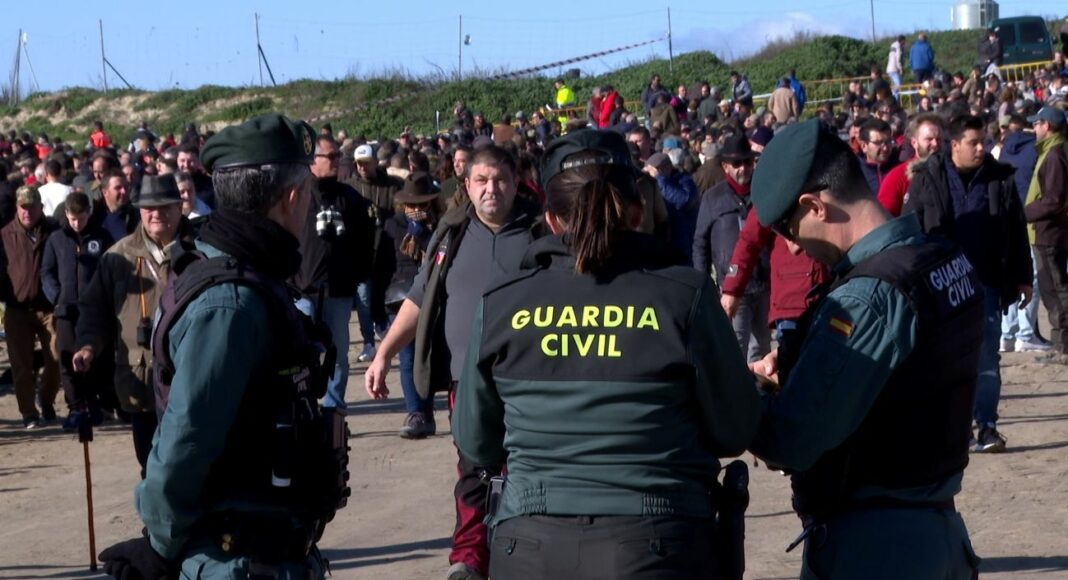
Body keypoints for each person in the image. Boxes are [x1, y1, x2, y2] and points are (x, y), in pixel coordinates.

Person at [452, 128, 760, 580]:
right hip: (659, 541)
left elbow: (476, 441)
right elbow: (734, 429)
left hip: (530, 545)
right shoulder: (684, 296)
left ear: (551, 220)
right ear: (636, 212)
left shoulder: (501, 301)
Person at [97, 114, 349, 579]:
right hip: (234, 559)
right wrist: (159, 543)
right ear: (291, 199)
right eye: (308, 195)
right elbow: (186, 438)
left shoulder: (250, 276)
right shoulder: (230, 304)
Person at [748, 119, 983, 580]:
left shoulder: (869, 297)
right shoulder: (941, 258)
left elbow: (792, 440)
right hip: (937, 530)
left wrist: (747, 391)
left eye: (789, 231)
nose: (793, 251)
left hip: (875, 547)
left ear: (815, 205)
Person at [365, 145, 543, 580]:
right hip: (468, 383)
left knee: (528, 471)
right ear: (466, 185)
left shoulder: (542, 233)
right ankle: (469, 560)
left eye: (499, 179)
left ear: (516, 181)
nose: (490, 189)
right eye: (481, 181)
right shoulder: (451, 236)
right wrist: (385, 353)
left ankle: (523, 554)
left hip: (532, 383)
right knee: (472, 473)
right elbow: (419, 300)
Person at [904, 114, 1033, 452]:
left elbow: (1016, 228)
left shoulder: (999, 179)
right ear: (955, 145)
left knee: (987, 355)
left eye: (984, 142)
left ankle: (987, 426)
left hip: (986, 282)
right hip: (940, 284)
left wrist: (1023, 277)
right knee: (944, 358)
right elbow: (911, 228)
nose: (982, 148)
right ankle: (952, 429)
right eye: (974, 143)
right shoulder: (927, 179)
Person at [73, 174, 188, 476]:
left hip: (191, 380)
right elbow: (94, 310)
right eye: (148, 207)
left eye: (164, 206)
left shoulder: (200, 252)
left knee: (190, 466)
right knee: (150, 467)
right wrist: (88, 345)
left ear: (179, 207)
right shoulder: (118, 258)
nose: (156, 213)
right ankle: (157, 523)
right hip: (143, 383)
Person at [294, 135, 374, 409]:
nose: (337, 161)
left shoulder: (349, 197)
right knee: (301, 355)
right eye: (331, 156)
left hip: (338, 291)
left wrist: (358, 275)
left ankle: (334, 408)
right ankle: (304, 407)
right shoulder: (297, 195)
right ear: (312, 161)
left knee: (337, 353)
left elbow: (366, 240)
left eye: (339, 156)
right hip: (302, 290)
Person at [693, 134, 771, 362]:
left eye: (748, 162)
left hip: (765, 284)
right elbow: (700, 243)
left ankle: (761, 395)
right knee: (735, 348)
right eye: (737, 164)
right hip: (733, 290)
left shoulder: (764, 192)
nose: (743, 169)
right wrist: (702, 282)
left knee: (763, 348)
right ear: (725, 166)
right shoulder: (712, 198)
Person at [40, 191, 113, 430]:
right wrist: (57, 296)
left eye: (80, 218)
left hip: (93, 312)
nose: (76, 223)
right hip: (65, 311)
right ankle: (75, 407)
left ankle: (94, 404)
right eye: (72, 218)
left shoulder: (101, 238)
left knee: (94, 360)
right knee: (66, 360)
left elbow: (109, 271)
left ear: (88, 213)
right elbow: (47, 272)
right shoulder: (57, 239)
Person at [383, 173, 441, 438]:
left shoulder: (441, 226)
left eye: (422, 204)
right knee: (407, 357)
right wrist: (375, 307)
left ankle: (427, 410)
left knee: (429, 355)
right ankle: (415, 411)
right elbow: (380, 266)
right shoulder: (393, 226)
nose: (417, 209)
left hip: (435, 299)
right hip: (401, 299)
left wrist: (425, 237)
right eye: (413, 205)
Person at [0, 185, 61, 429]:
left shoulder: (54, 231)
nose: (28, 212)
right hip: (16, 309)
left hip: (48, 308)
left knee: (56, 358)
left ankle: (46, 401)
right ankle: (28, 413)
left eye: (32, 207)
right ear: (17, 207)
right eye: (23, 207)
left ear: (40, 207)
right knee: (21, 366)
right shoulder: (4, 235)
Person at [997, 115, 1049, 352]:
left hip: (1007, 216)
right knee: (1031, 277)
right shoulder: (1037, 150)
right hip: (1029, 219)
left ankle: (1007, 334)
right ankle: (1026, 335)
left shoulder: (1006, 148)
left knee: (1009, 274)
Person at [347, 143, 402, 362]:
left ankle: (386, 332)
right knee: (363, 299)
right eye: (359, 164)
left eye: (366, 164)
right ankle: (368, 341)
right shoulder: (350, 187)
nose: (362, 168)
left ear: (374, 163)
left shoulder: (389, 186)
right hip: (361, 255)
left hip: (386, 251)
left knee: (381, 298)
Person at [1023, 107, 1068, 355]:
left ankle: (1065, 347)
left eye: (1037, 124)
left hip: (1048, 232)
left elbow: (1054, 199)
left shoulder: (1053, 155)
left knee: (1056, 291)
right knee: (1054, 290)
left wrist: (1024, 213)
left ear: (1047, 126)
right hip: (1047, 231)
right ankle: (1062, 345)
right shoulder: (1053, 151)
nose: (1034, 128)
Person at [877, 113, 943, 217]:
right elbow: (884, 217)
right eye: (929, 139)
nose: (935, 144)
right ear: (914, 143)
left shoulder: (950, 172)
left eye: (938, 139)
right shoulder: (898, 176)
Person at [643, 151, 698, 264]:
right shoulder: (652, 185)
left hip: (683, 246)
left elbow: (684, 201)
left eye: (654, 170)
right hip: (663, 245)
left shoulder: (684, 181)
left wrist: (659, 179)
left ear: (666, 167)